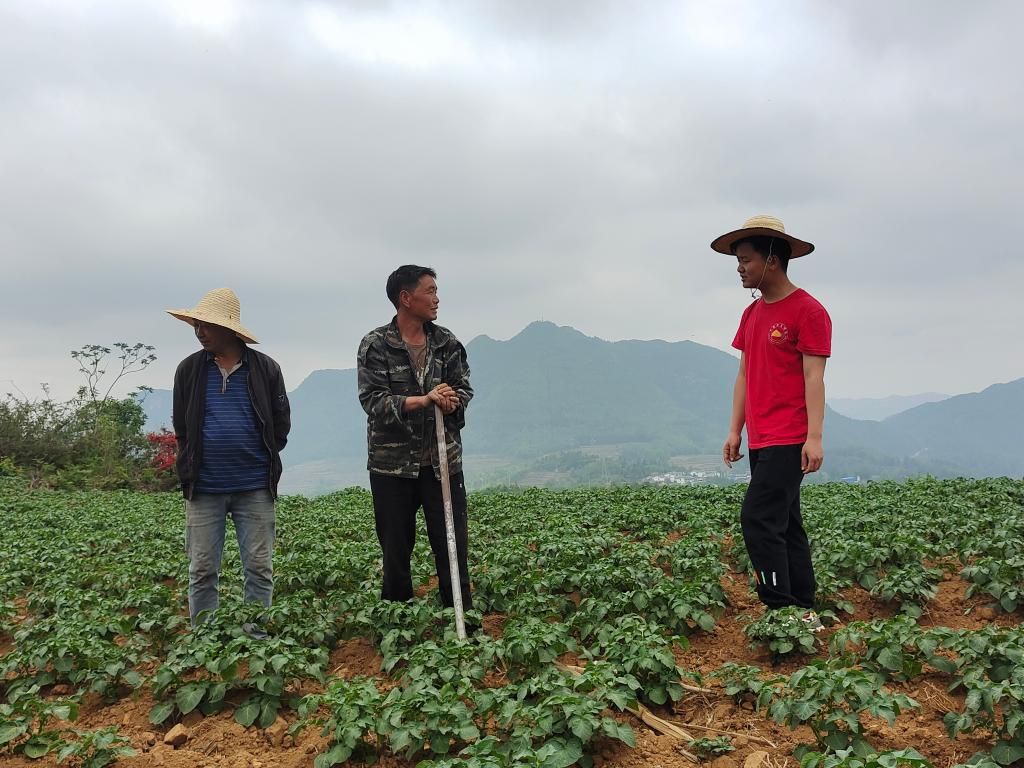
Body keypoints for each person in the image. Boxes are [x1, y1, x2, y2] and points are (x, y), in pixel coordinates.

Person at [713, 216, 831, 627]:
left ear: (773, 261)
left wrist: (813, 437)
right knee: (786, 523)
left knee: (758, 519)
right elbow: (745, 374)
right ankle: (803, 608)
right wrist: (735, 429)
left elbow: (814, 377)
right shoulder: (752, 315)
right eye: (738, 261)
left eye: (746, 259)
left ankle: (780, 609)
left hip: (790, 436)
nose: (740, 268)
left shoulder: (809, 311)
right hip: (762, 438)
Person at [167, 288, 290, 631]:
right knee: (202, 568)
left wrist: (257, 454)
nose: (199, 331)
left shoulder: (265, 369)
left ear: (228, 329)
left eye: (206, 325)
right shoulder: (189, 370)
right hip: (204, 487)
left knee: (259, 566)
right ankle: (204, 637)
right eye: (197, 324)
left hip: (255, 487)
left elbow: (281, 424)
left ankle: (255, 635)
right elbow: (182, 428)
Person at [357, 265, 475, 618]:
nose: (437, 298)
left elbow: (464, 388)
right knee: (396, 546)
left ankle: (460, 614)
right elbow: (373, 401)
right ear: (406, 298)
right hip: (392, 467)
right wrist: (422, 400)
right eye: (430, 290)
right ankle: (398, 618)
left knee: (452, 543)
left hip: (442, 463)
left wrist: (453, 401)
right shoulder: (376, 345)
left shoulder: (446, 343)